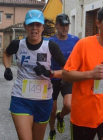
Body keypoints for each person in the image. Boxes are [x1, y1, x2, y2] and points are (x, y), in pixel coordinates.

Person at [62, 5, 103, 140]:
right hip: (84, 115)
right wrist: (90, 74)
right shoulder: (84, 45)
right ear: (98, 23)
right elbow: (66, 74)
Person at [3, 9, 66, 140]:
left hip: (43, 101)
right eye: (31, 24)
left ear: (43, 27)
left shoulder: (50, 46)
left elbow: (68, 71)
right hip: (21, 98)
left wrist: (49, 73)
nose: (34, 28)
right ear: (25, 26)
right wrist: (7, 68)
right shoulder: (17, 44)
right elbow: (6, 54)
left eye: (38, 25)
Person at [47, 13, 79, 140]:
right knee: (52, 111)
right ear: (57, 26)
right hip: (52, 79)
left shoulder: (75, 40)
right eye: (62, 25)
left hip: (67, 78)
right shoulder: (50, 41)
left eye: (67, 25)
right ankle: (52, 131)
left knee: (69, 105)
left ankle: (61, 117)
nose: (65, 28)